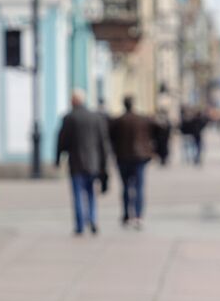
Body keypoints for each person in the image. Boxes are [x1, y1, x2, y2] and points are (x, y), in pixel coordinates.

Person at [55, 90, 110, 236]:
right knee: (91, 192)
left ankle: (80, 225)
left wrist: (58, 158)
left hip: (76, 163)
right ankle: (92, 219)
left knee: (78, 194)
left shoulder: (69, 118)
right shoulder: (95, 117)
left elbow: (61, 140)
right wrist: (104, 164)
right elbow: (103, 143)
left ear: (73, 101)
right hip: (94, 163)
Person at [109, 96, 156, 230]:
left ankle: (126, 214)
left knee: (125, 187)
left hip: (123, 157)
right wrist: (151, 147)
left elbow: (110, 137)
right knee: (139, 187)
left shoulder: (118, 121)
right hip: (140, 157)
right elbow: (158, 129)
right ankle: (138, 215)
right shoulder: (143, 119)